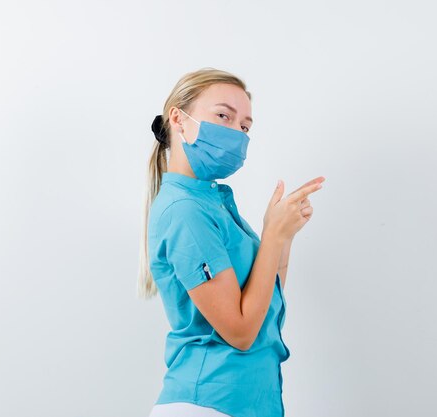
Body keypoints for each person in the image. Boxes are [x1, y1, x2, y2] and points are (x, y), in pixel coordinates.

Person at [137, 67, 325, 417]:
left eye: (244, 126)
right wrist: (271, 236)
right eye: (223, 115)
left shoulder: (213, 202)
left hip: (246, 403)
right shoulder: (185, 211)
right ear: (178, 119)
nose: (236, 133)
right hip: (208, 401)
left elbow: (265, 298)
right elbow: (240, 332)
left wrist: (282, 236)